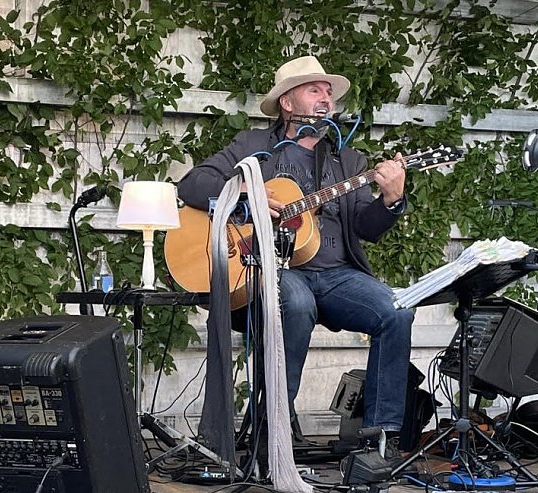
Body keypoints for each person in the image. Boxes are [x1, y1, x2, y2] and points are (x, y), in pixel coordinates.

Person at [177, 55, 414, 461]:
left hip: (336, 275)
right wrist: (246, 193)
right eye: (315, 90)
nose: (326, 99)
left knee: (396, 310)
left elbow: (365, 227)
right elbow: (192, 183)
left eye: (329, 92)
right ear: (287, 102)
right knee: (297, 300)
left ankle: (380, 436)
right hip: (271, 270)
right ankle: (274, 428)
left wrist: (392, 200)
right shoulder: (254, 146)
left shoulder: (348, 161)